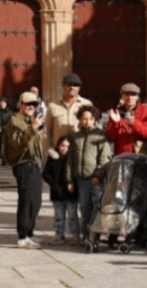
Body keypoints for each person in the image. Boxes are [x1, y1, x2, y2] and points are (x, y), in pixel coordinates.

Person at [2, 91, 46, 248]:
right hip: (24, 165)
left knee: (35, 200)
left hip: (32, 164)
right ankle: (23, 236)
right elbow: (18, 142)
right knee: (28, 201)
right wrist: (32, 129)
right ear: (20, 105)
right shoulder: (15, 121)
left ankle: (28, 234)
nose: (31, 107)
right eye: (28, 104)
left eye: (34, 104)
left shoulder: (27, 121)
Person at [68, 104, 112, 244]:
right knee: (85, 207)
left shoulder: (100, 135)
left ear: (95, 119)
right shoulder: (75, 137)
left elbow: (105, 158)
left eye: (89, 118)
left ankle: (95, 234)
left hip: (95, 178)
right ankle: (86, 235)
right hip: (81, 179)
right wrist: (69, 179)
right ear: (80, 120)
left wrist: (98, 175)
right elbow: (70, 160)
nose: (86, 121)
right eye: (84, 119)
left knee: (97, 205)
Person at [103, 82, 147, 157]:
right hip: (122, 155)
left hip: (141, 155)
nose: (130, 98)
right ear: (122, 96)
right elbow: (111, 138)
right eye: (126, 94)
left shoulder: (146, 111)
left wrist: (134, 123)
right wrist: (115, 123)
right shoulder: (116, 112)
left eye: (133, 95)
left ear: (137, 97)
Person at [45, 74, 94, 150]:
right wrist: (50, 151)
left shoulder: (86, 104)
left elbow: (93, 128)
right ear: (63, 86)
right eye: (69, 85)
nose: (72, 87)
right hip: (59, 152)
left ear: (79, 88)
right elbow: (46, 131)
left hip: (80, 151)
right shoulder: (53, 106)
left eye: (75, 85)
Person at [42, 136, 76, 242]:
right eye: (62, 145)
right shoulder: (53, 158)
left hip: (70, 193)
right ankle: (59, 236)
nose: (64, 148)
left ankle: (75, 236)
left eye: (67, 146)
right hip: (57, 193)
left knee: (73, 216)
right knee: (59, 216)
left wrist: (72, 184)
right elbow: (45, 174)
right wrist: (54, 184)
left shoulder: (72, 159)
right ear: (58, 146)